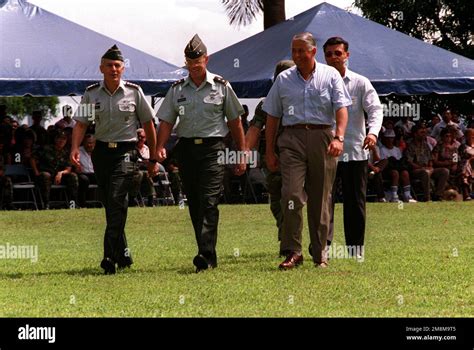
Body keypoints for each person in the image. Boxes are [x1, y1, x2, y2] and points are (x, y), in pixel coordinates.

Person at [156, 34, 246, 272]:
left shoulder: (221, 86)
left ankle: (204, 255)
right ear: (186, 62)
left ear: (207, 59)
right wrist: (159, 147)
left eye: (198, 62)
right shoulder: (176, 90)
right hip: (186, 149)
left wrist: (242, 152)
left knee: (209, 200)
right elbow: (166, 121)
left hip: (213, 149)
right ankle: (207, 253)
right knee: (195, 202)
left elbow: (235, 121)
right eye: (190, 63)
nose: (194, 67)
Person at [263, 32, 351, 269]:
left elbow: (342, 110)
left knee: (321, 198)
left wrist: (339, 138)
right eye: (294, 51)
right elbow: (271, 117)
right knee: (291, 194)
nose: (298, 55)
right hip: (291, 138)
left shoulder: (330, 75)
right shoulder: (283, 80)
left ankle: (320, 253)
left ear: (313, 52)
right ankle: (293, 251)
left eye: (302, 50)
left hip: (323, 137)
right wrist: (269, 151)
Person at [70, 44, 158, 275]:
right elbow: (82, 124)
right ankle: (124, 255)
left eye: (117, 65)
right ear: (101, 68)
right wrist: (74, 148)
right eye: (109, 65)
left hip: (126, 153)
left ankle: (109, 256)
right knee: (112, 204)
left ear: (123, 68)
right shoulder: (92, 93)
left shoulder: (134, 92)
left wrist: (154, 156)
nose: (113, 69)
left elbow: (149, 124)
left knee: (117, 198)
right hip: (101, 153)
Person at [322, 36, 383, 258]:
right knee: (324, 201)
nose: (333, 57)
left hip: (355, 150)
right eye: (329, 54)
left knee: (355, 202)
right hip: (326, 152)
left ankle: (355, 250)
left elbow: (375, 109)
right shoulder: (319, 82)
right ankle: (323, 248)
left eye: (338, 53)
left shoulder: (360, 82)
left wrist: (373, 133)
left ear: (347, 55)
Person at [245, 60, 295, 254]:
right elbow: (255, 128)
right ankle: (285, 232)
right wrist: (244, 153)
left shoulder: (301, 100)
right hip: (272, 156)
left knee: (293, 197)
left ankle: (290, 238)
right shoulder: (265, 104)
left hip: (297, 154)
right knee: (276, 198)